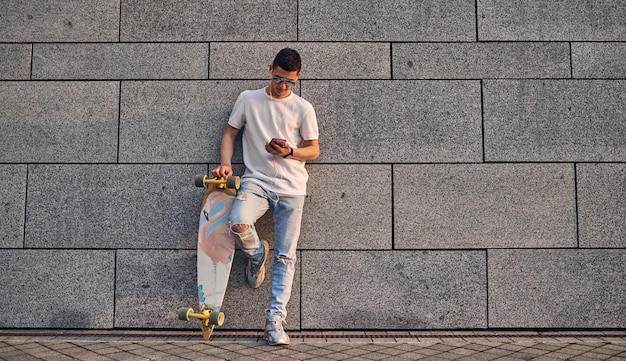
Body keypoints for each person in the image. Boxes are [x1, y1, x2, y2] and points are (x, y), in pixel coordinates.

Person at [211, 48, 319, 346]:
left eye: (289, 82)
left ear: (297, 79)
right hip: (256, 182)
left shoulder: (303, 108)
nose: (282, 86)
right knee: (238, 223)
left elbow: (314, 149)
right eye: (278, 78)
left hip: (292, 189)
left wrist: (291, 152)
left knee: (286, 256)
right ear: (270, 69)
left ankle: (274, 323)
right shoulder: (248, 99)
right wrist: (225, 163)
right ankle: (257, 254)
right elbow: (230, 133)